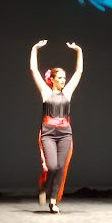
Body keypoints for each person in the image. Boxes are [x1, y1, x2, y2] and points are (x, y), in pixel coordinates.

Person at [30, 40, 83, 213]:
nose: (63, 80)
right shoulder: (46, 92)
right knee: (51, 166)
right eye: (59, 77)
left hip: (65, 133)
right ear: (52, 80)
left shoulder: (67, 93)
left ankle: (53, 201)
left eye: (64, 78)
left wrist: (78, 51)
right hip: (48, 133)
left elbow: (79, 71)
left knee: (61, 167)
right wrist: (35, 48)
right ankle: (44, 186)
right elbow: (33, 70)